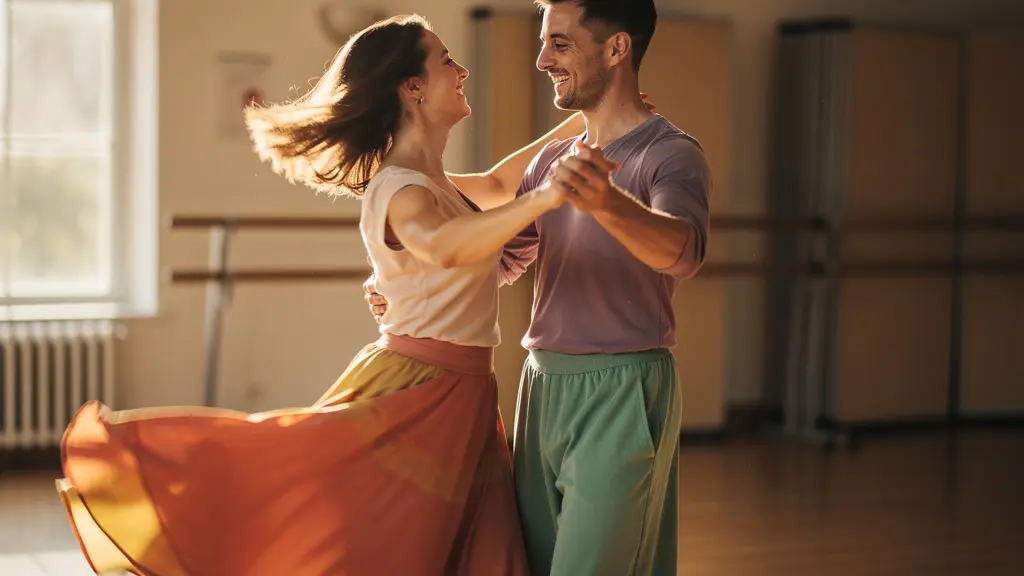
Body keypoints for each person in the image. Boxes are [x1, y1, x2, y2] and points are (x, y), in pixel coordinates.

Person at [54, 14, 601, 576]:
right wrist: (545, 200)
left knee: (479, 554)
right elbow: (442, 246)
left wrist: (592, 119)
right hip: (420, 392)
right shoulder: (396, 188)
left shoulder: (440, 185)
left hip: (463, 396)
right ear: (411, 88)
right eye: (446, 61)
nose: (461, 71)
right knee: (395, 548)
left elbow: (499, 185)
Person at [364, 1, 712, 575]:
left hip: (623, 386)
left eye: (560, 43)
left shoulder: (670, 153)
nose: (541, 58)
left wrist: (607, 203)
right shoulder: (552, 160)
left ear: (617, 49)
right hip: (540, 386)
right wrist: (403, 284)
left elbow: (682, 251)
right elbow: (496, 260)